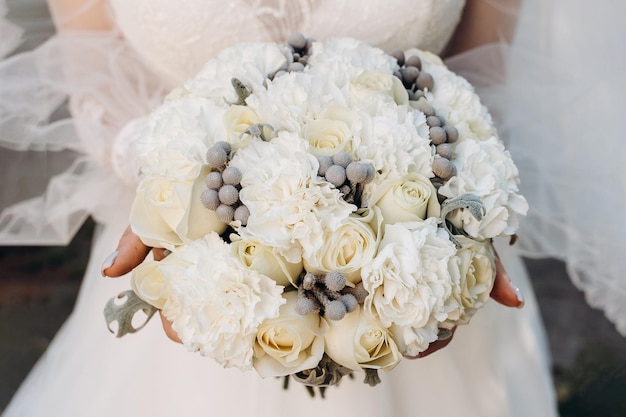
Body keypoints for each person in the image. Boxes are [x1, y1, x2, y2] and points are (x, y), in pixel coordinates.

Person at [0, 0, 564, 416]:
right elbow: (93, 77)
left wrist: (460, 213)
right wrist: (172, 183)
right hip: (189, 253)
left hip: (417, 260)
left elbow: (481, 70)